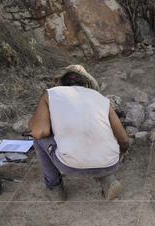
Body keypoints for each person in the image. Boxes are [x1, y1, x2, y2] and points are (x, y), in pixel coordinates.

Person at [29, 65, 129, 201]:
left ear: (62, 83)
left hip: (69, 165)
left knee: (38, 139)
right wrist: (120, 154)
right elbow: (123, 139)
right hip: (110, 164)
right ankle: (108, 179)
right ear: (86, 83)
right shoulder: (101, 99)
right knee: (101, 132)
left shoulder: (51, 94)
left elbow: (39, 132)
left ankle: (54, 187)